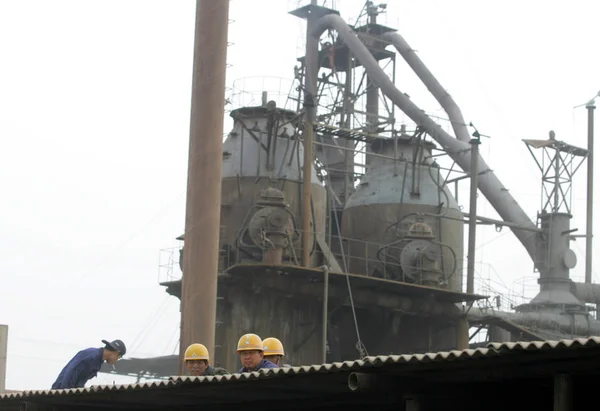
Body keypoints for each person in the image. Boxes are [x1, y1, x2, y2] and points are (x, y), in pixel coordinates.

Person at [51, 339, 126, 390]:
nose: (116, 360)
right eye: (118, 357)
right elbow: (71, 372)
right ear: (116, 353)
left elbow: (80, 380)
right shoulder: (92, 356)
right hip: (61, 391)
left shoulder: (98, 361)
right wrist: (66, 395)